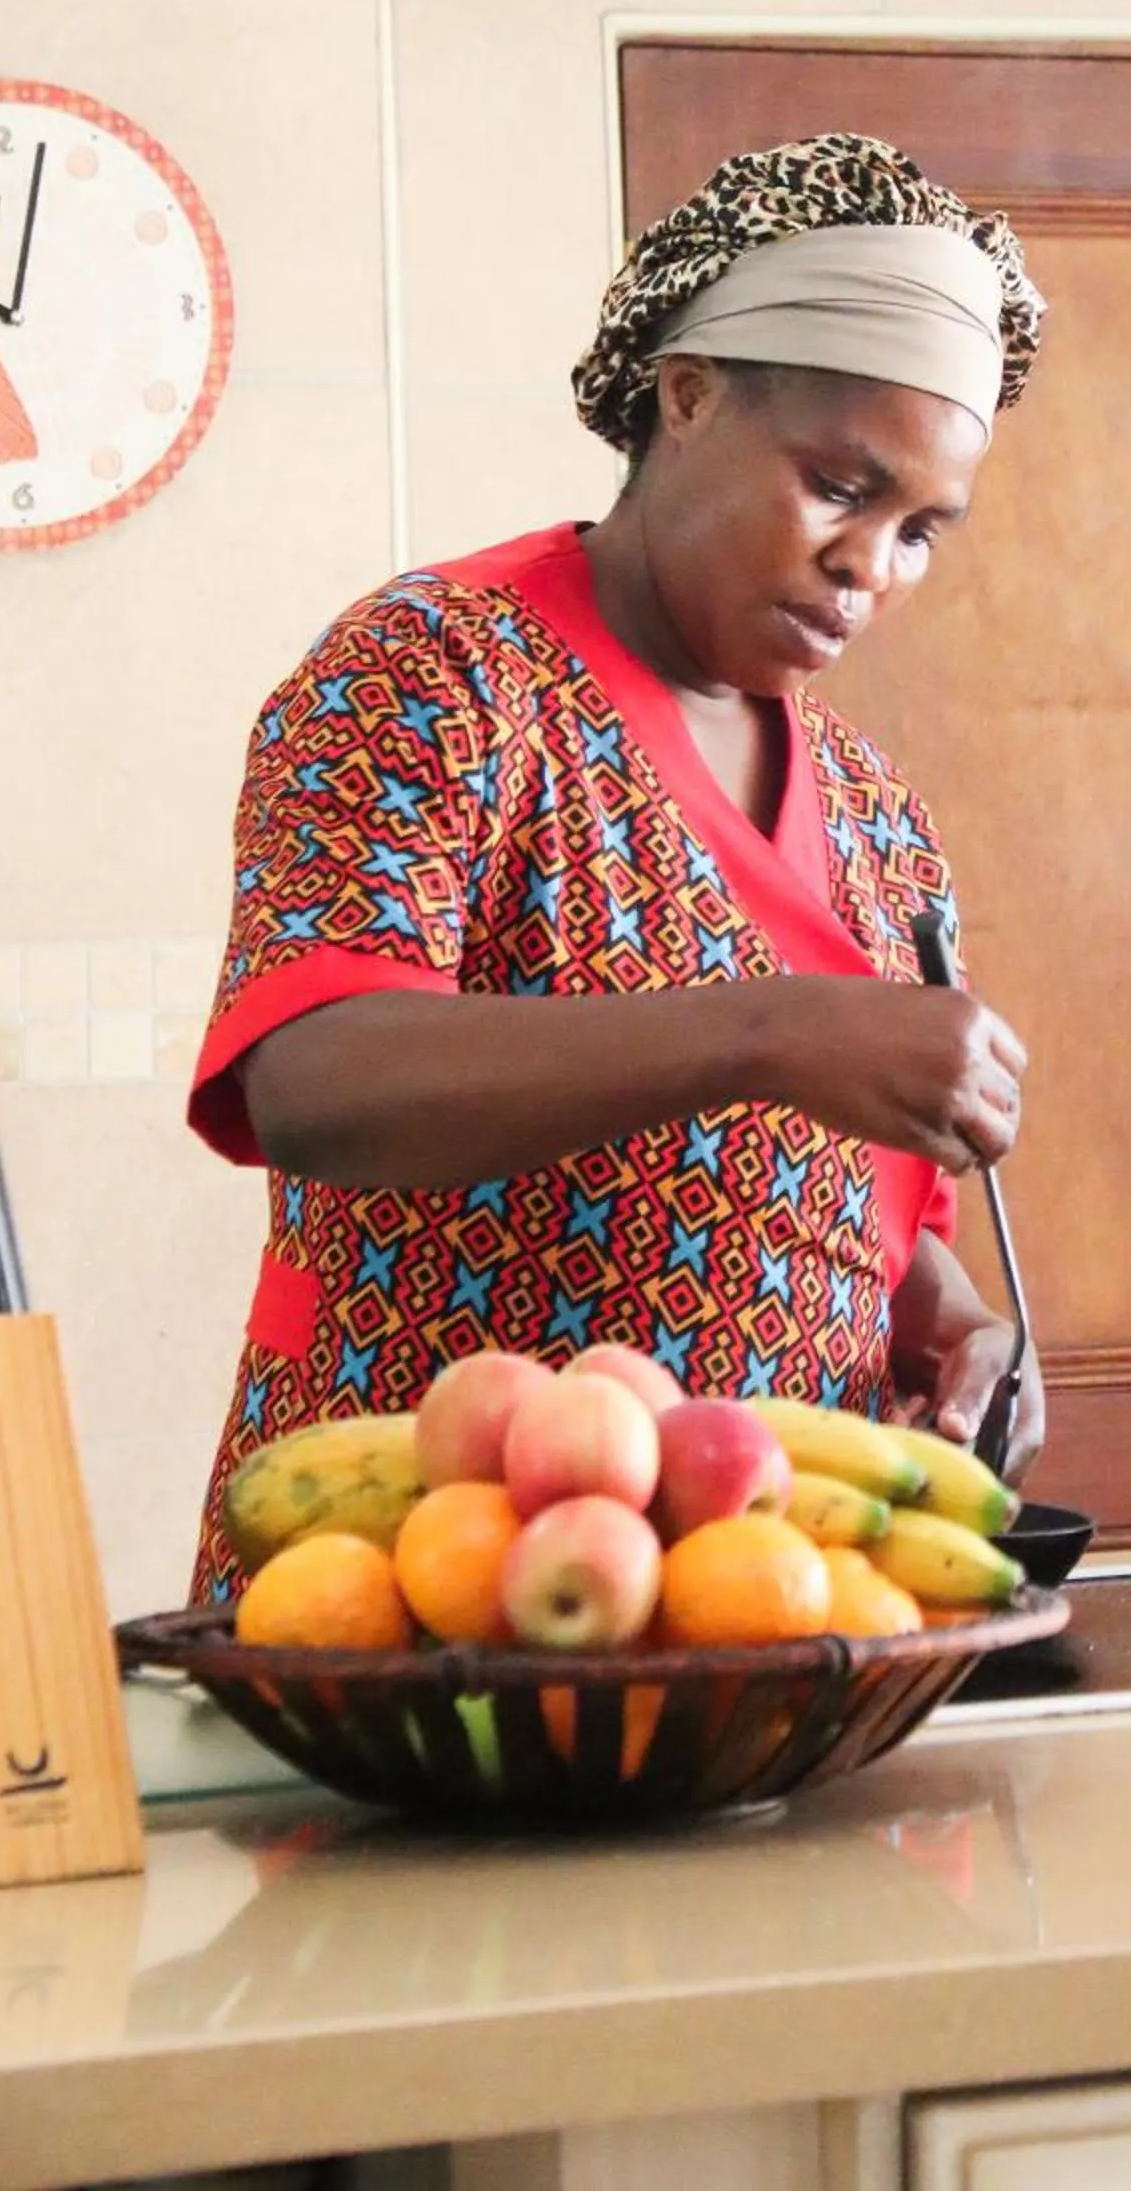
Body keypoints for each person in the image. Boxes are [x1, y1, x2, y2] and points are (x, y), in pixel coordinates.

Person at [185, 132, 1046, 1597]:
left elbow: (828, 1202)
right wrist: (770, 1030)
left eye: (921, 533)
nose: (871, 566)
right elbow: (312, 1080)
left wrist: (949, 1318)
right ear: (687, 396)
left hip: (763, 1604)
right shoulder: (436, 671)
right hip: (423, 1591)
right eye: (839, 486)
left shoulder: (874, 811)